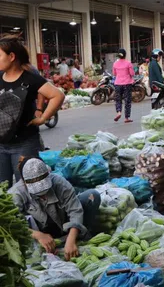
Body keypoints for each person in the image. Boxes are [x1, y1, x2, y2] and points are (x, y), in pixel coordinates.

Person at [0, 35, 64, 186]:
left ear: (11, 56)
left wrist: (43, 118)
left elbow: (57, 95)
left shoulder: (30, 79)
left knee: (26, 187)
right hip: (1, 144)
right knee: (2, 189)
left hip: (24, 144)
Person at [10, 157, 100, 261]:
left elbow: (75, 210)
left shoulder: (59, 183)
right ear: (25, 183)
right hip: (39, 232)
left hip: (63, 223)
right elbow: (12, 224)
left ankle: (78, 236)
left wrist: (71, 240)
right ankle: (49, 247)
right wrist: (38, 235)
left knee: (92, 196)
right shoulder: (16, 194)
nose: (43, 195)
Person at [112, 48, 134, 123]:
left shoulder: (115, 63)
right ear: (125, 55)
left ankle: (119, 112)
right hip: (127, 83)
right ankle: (126, 118)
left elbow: (114, 74)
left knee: (118, 99)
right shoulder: (128, 63)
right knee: (127, 100)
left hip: (118, 83)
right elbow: (132, 74)